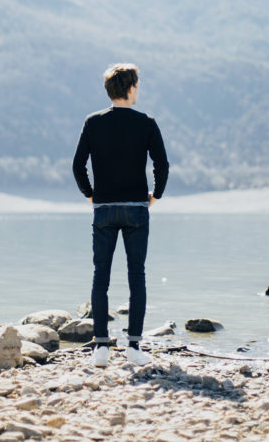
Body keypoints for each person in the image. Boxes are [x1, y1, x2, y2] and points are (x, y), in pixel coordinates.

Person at [72, 63, 169, 367]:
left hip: (103, 209)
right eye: (137, 85)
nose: (139, 90)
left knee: (101, 276)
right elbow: (162, 165)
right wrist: (155, 196)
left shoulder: (92, 122)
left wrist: (91, 196)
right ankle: (134, 348)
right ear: (129, 88)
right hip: (136, 209)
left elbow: (77, 166)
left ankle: (100, 348)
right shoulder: (146, 123)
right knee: (135, 275)